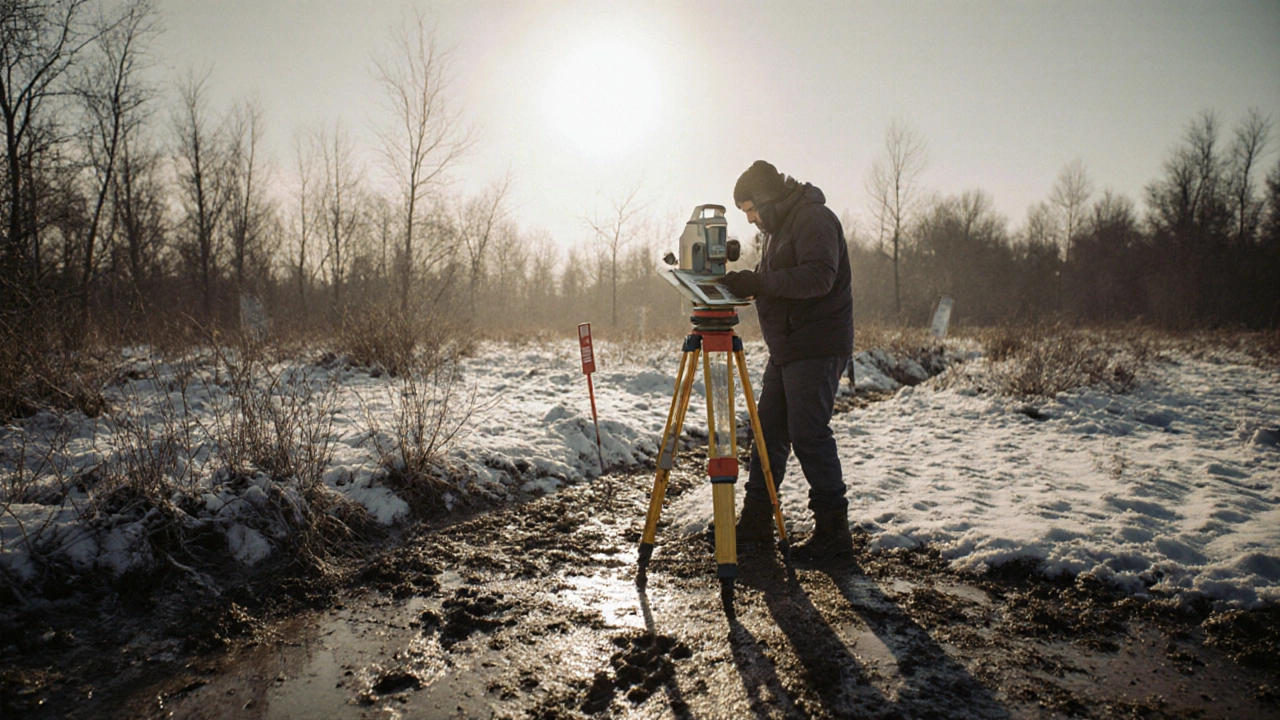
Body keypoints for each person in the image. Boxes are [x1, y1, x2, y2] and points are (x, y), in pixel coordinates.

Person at [720, 160, 855, 563]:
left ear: (766, 198)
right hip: (788, 348)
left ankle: (834, 534)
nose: (750, 219)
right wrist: (743, 283)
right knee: (768, 433)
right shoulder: (779, 229)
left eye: (751, 209)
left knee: (808, 432)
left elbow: (818, 277)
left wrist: (759, 282)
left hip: (816, 344)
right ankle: (757, 522)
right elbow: (777, 281)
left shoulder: (814, 217)